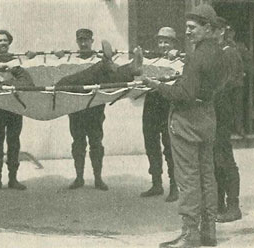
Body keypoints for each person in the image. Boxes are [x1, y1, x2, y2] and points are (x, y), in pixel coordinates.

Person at [145, 4, 225, 247]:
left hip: (187, 121)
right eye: (187, 28)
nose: (187, 32)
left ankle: (190, 235)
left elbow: (184, 94)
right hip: (207, 116)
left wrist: (156, 84)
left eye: (192, 28)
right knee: (207, 176)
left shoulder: (196, 56)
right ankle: (209, 232)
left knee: (188, 179)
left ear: (207, 28)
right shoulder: (219, 53)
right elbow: (214, 84)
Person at [56, 30, 143, 190]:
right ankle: (79, 178)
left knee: (96, 142)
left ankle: (98, 179)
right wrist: (57, 56)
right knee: (78, 143)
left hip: (94, 106)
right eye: (80, 40)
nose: (83, 44)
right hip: (76, 106)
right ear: (76, 41)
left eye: (86, 40)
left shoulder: (96, 56)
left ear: (92, 41)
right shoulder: (70, 58)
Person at [0, 30, 35, 192]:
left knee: (14, 143)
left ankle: (13, 179)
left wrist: (6, 81)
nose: (3, 43)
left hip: (14, 108)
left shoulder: (17, 62)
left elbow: (27, 83)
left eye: (6, 40)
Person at [140, 27, 178, 202]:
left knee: (170, 147)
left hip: (168, 106)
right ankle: (156, 183)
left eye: (166, 42)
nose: (163, 45)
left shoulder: (179, 59)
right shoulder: (152, 60)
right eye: (160, 41)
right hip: (151, 105)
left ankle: (175, 186)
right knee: (151, 144)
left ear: (173, 43)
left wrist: (176, 56)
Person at [213, 17, 243, 223]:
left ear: (222, 31)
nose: (211, 33)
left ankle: (233, 206)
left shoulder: (229, 52)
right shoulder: (216, 51)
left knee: (224, 158)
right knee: (215, 158)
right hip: (214, 111)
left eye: (214, 30)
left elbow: (229, 83)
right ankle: (219, 204)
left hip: (223, 111)